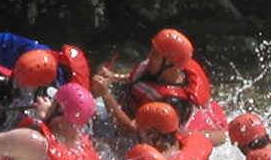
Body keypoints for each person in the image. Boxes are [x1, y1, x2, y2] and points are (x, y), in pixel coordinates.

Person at [91, 29, 227, 146]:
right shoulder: (157, 67)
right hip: (124, 116)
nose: (149, 56)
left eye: (155, 53)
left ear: (168, 62)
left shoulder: (170, 102)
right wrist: (114, 77)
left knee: (99, 145)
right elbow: (140, 79)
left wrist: (106, 95)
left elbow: (130, 132)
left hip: (138, 139)